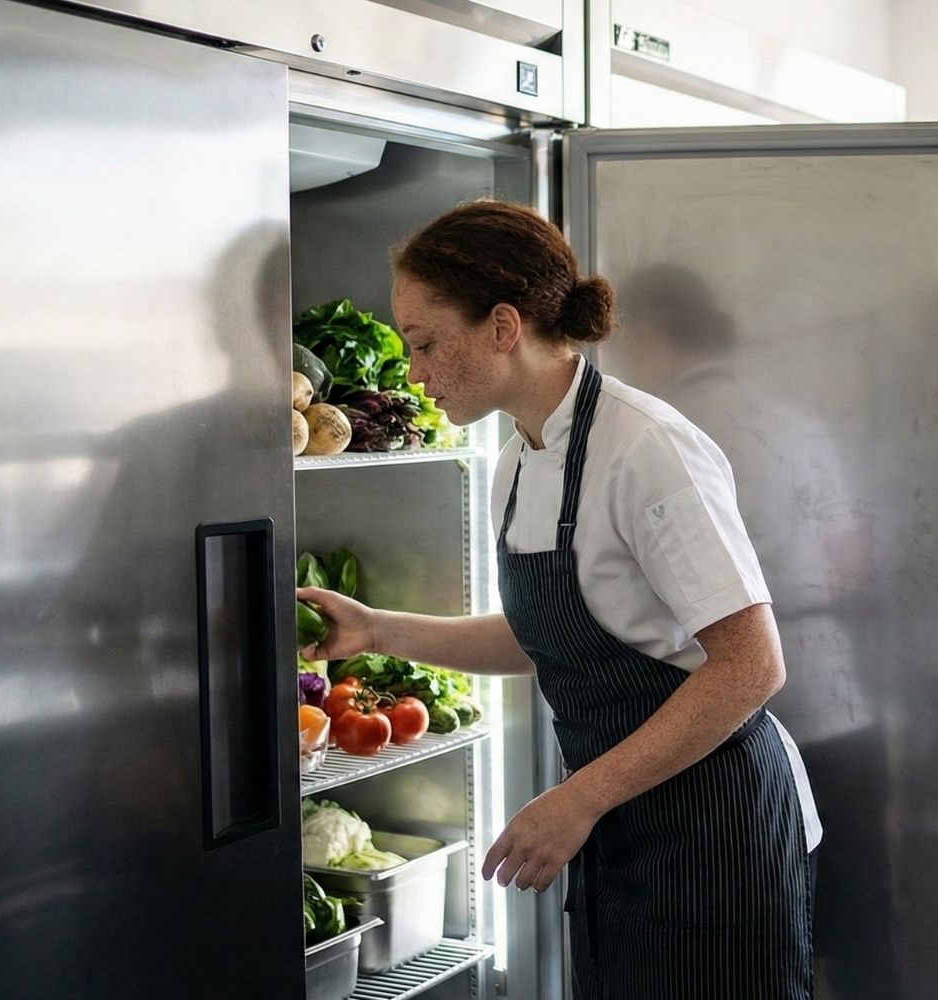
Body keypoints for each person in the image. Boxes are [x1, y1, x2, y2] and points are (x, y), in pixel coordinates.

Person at [297, 200, 821, 998]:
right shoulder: (517, 459)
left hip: (718, 823)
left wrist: (577, 799)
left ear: (504, 327)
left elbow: (752, 666)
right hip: (621, 820)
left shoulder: (646, 448)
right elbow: (550, 634)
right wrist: (374, 629)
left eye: (428, 342)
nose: (415, 371)